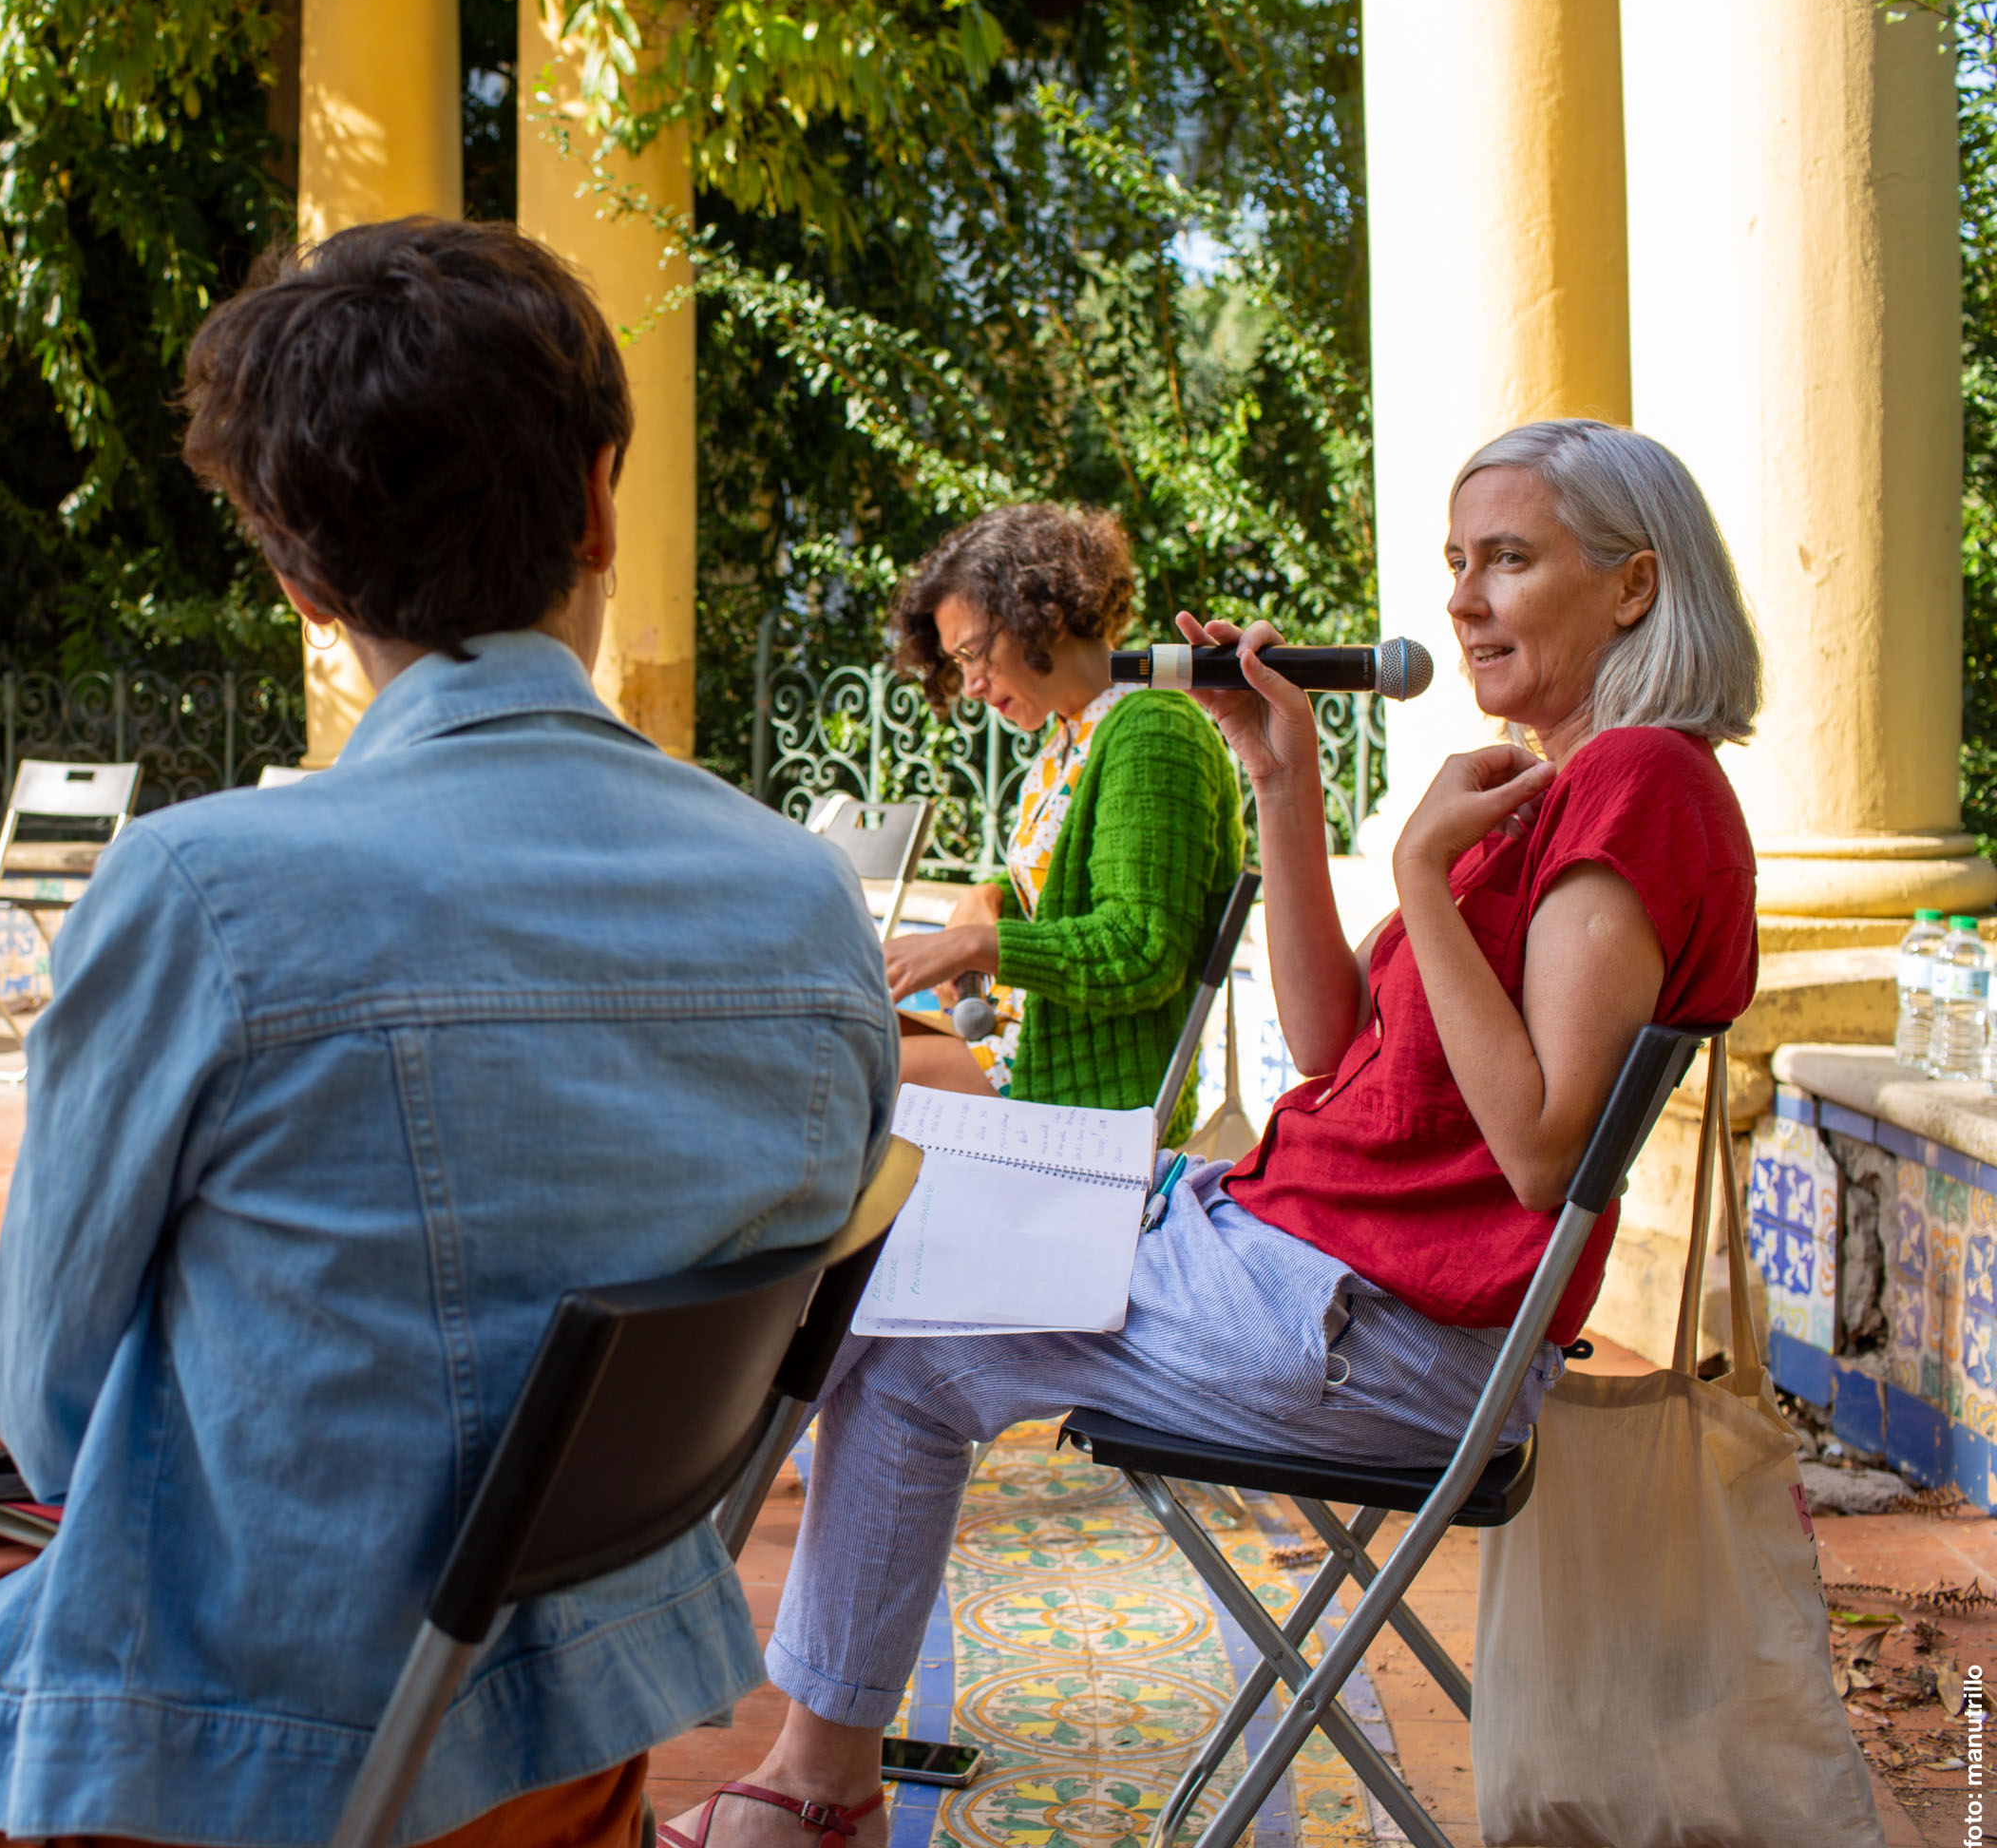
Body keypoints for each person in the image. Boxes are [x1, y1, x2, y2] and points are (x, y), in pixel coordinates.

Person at [0, 218, 902, 1848]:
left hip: (225, 1780)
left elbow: (52, 1417)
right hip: (565, 1764)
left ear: (298, 576)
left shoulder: (206, 892)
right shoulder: (805, 902)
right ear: (596, 504)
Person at [665, 417, 1764, 1847]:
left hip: (1380, 1325)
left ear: (1633, 584)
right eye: (1455, 562)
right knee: (897, 1228)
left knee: (901, 1306)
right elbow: (1329, 1044)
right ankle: (804, 1770)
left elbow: (1541, 1147)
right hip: (1301, 1255)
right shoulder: (1546, 782)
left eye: (1508, 560)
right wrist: (1282, 775)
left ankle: (795, 1777)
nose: (1461, 600)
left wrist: (1420, 870)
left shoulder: (1640, 784)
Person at [875, 505, 1242, 1134]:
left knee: (845, 1076)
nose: (971, 684)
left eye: (975, 654)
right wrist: (988, 898)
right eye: (959, 664)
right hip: (1026, 1046)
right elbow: (1067, 892)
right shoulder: (1070, 735)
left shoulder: (1154, 730)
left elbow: (1141, 949)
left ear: (1039, 615)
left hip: (1087, 1090)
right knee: (842, 1042)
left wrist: (974, 945)